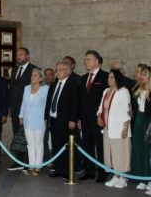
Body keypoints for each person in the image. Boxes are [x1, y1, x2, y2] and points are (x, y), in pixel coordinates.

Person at [97, 69, 131, 189]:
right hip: (108, 128)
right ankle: (115, 176)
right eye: (108, 77)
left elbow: (127, 111)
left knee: (120, 153)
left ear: (117, 78)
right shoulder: (106, 91)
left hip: (119, 128)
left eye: (111, 77)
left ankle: (122, 177)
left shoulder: (123, 91)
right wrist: (99, 116)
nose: (108, 79)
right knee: (110, 153)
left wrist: (125, 128)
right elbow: (101, 106)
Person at [78, 50, 109, 183]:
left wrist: (102, 116)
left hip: (98, 119)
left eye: (88, 59)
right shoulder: (83, 78)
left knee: (100, 146)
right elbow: (80, 100)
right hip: (84, 119)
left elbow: (106, 99)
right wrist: (79, 118)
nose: (86, 61)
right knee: (87, 145)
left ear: (97, 62)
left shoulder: (105, 77)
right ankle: (89, 171)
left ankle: (102, 172)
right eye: (85, 59)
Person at [45, 62, 79, 179]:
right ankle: (58, 169)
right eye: (57, 69)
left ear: (67, 71)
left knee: (67, 146)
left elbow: (76, 104)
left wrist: (73, 119)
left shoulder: (72, 84)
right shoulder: (54, 84)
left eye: (60, 69)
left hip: (66, 121)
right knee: (56, 145)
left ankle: (68, 171)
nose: (57, 72)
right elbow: (49, 102)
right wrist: (46, 117)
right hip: (54, 120)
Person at [131, 66, 151, 190]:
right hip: (138, 121)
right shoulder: (138, 89)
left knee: (148, 149)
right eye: (141, 74)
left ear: (150, 77)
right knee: (138, 147)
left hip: (149, 122)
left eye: (144, 74)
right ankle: (138, 176)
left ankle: (148, 177)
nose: (141, 76)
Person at [8, 47, 38, 171]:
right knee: (18, 136)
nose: (18, 56)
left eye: (21, 54)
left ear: (28, 56)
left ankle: (29, 162)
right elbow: (12, 90)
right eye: (17, 54)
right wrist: (10, 106)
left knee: (29, 137)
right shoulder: (14, 70)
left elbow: (36, 91)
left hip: (29, 110)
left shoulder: (34, 70)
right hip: (15, 109)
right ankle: (19, 161)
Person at [19, 68, 49, 176]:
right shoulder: (26, 88)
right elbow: (23, 103)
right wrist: (21, 116)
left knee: (38, 144)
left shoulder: (45, 89)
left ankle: (38, 166)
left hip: (39, 120)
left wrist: (46, 118)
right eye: (32, 75)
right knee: (30, 144)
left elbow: (47, 105)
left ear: (41, 78)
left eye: (35, 75)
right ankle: (31, 166)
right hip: (27, 120)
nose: (32, 77)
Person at [42, 67, 55, 163]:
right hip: (44, 118)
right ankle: (46, 159)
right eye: (46, 74)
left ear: (53, 75)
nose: (48, 76)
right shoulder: (42, 88)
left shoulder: (57, 86)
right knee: (44, 139)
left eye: (50, 74)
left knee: (56, 140)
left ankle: (56, 159)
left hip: (55, 117)